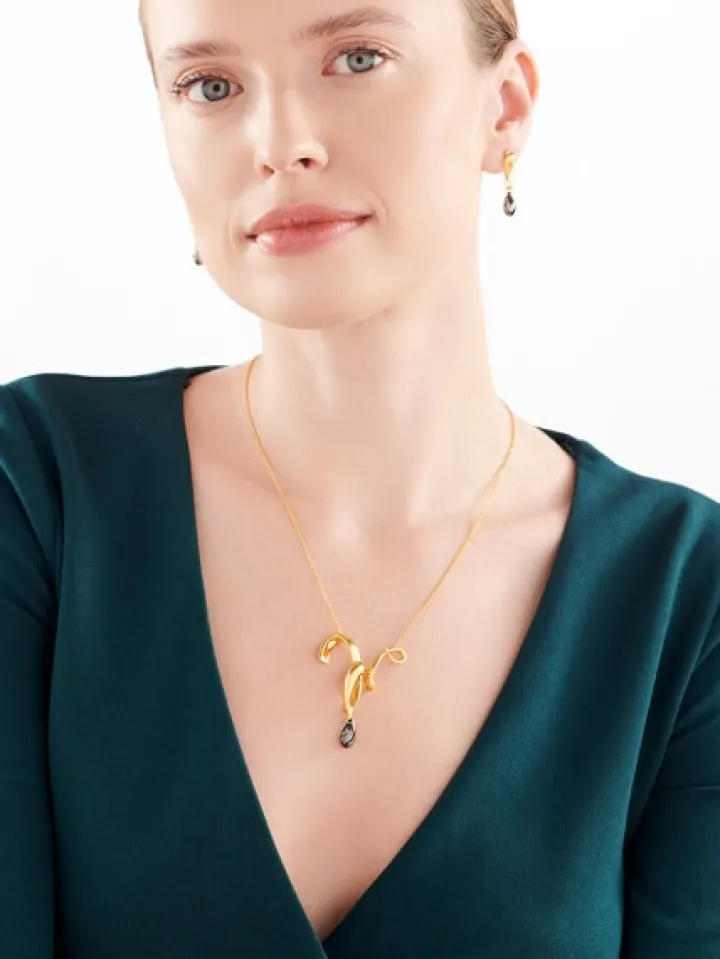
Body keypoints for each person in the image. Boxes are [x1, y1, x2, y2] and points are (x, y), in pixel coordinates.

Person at [1, 0, 718, 955]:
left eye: (357, 58)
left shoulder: (686, 596)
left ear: (505, 104)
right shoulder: (37, 490)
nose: (278, 144)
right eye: (210, 85)